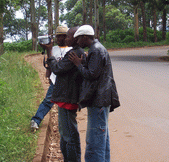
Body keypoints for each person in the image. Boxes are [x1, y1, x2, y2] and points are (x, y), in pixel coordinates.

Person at [68, 25, 120, 162]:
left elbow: (91, 74)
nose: (78, 42)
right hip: (101, 101)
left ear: (85, 37)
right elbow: (95, 70)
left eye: (79, 39)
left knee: (95, 141)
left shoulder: (96, 51)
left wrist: (78, 64)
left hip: (99, 101)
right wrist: (84, 61)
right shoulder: (96, 49)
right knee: (102, 139)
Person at [45, 27, 85, 162]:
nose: (66, 39)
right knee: (66, 134)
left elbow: (57, 68)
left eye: (68, 36)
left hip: (68, 100)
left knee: (69, 136)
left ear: (76, 37)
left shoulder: (74, 54)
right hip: (67, 99)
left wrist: (49, 51)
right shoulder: (74, 53)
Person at [30, 26, 72, 130]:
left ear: (66, 37)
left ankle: (66, 125)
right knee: (48, 101)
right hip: (55, 81)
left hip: (68, 81)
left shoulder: (71, 49)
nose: (59, 39)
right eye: (57, 37)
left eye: (61, 37)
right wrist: (48, 74)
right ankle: (36, 120)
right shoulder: (52, 49)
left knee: (67, 104)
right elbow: (49, 62)